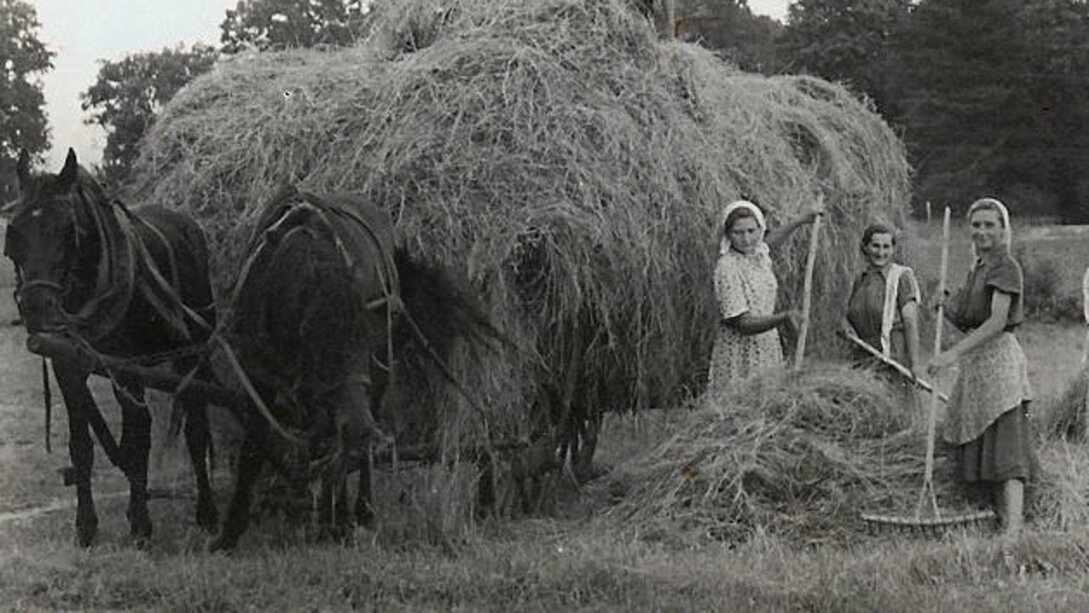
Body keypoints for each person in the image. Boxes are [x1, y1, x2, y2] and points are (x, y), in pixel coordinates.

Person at [928, 197, 1034, 536]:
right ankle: (996, 520)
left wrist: (950, 355)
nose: (982, 231)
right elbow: (969, 321)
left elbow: (996, 323)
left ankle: (1013, 533)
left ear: (1003, 230)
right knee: (981, 445)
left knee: (1006, 448)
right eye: (976, 225)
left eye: (990, 225)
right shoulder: (977, 268)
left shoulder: (1006, 266)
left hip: (1000, 363)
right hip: (976, 366)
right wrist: (945, 304)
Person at [708, 198, 824, 395]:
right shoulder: (727, 268)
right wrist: (783, 317)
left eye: (751, 231)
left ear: (760, 229)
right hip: (740, 352)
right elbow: (742, 323)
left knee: (766, 404)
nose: (746, 239)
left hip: (766, 345)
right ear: (728, 234)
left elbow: (770, 243)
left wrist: (801, 219)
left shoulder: (758, 255)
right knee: (741, 404)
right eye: (738, 233)